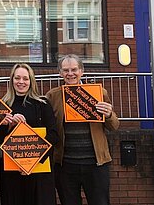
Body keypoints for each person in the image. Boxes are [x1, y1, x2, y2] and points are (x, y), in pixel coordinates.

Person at [45, 54, 120, 205]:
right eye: (65, 70)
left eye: (74, 69)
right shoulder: (53, 96)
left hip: (96, 164)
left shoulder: (99, 93)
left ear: (82, 71)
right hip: (65, 164)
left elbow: (114, 126)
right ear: (60, 73)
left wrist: (109, 114)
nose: (70, 73)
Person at [0, 63, 58, 205]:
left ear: (31, 81)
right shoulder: (3, 105)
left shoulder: (43, 104)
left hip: (39, 169)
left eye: (25, 78)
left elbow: (53, 135)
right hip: (12, 171)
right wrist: (8, 125)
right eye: (17, 78)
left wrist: (32, 161)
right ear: (12, 80)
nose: (21, 82)